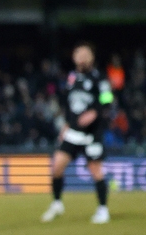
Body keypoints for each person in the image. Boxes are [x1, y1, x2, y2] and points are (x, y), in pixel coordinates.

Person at [41, 42, 113, 224]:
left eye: (85, 55)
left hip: (91, 133)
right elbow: (69, 105)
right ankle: (57, 203)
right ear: (74, 58)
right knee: (57, 166)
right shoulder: (72, 78)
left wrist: (95, 112)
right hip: (73, 131)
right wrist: (66, 124)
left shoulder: (99, 77)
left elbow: (108, 99)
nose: (82, 58)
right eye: (79, 55)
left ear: (91, 58)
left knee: (95, 170)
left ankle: (103, 209)